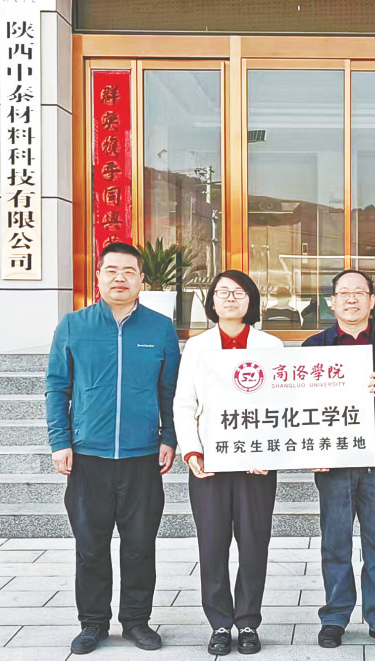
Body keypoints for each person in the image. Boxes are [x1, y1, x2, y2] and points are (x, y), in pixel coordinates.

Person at [45, 241, 180, 655]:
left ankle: (137, 621)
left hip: (143, 457)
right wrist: (60, 441)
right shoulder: (74, 325)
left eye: (129, 271)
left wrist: (170, 437)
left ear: (141, 279)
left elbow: (170, 391)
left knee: (140, 545)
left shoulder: (159, 328)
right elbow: (57, 387)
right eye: (112, 270)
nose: (120, 278)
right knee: (91, 547)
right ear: (98, 276)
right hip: (88, 457)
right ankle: (93, 623)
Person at [301, 269, 375, 651]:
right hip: (333, 460)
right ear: (331, 301)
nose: (351, 299)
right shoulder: (314, 346)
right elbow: (301, 405)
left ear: (371, 300)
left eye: (359, 293)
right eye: (343, 293)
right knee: (335, 544)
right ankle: (335, 617)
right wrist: (310, 451)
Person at [173, 269, 283, 656]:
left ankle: (248, 621)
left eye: (239, 292)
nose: (231, 298)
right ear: (212, 302)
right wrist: (192, 451)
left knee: (254, 544)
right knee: (212, 545)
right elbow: (183, 403)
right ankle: (220, 622)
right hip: (210, 464)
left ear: (251, 300)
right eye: (222, 292)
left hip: (257, 465)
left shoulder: (271, 346)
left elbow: (283, 404)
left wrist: (271, 453)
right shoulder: (197, 346)